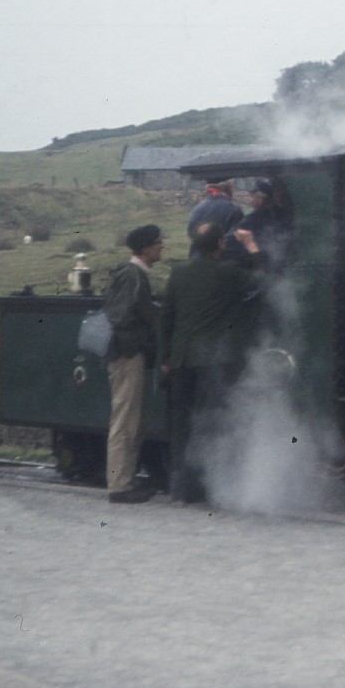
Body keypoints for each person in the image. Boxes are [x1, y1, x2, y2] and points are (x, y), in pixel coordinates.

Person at [159, 222, 264, 503]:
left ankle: (180, 488)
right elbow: (262, 279)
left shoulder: (179, 272)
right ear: (221, 244)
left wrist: (166, 358)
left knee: (182, 424)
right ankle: (212, 485)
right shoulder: (228, 272)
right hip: (214, 361)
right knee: (213, 421)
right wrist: (252, 246)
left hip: (182, 361)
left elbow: (166, 318)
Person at [101, 224, 164, 504]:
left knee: (128, 420)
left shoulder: (132, 274)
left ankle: (124, 480)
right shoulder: (133, 276)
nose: (162, 246)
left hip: (125, 354)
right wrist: (137, 343)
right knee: (125, 421)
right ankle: (119, 484)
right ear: (147, 248)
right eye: (158, 243)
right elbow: (121, 316)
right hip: (128, 356)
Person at [186, 178, 243, 260]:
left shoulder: (196, 210)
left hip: (197, 259)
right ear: (229, 189)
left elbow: (191, 233)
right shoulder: (235, 211)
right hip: (223, 261)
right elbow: (235, 238)